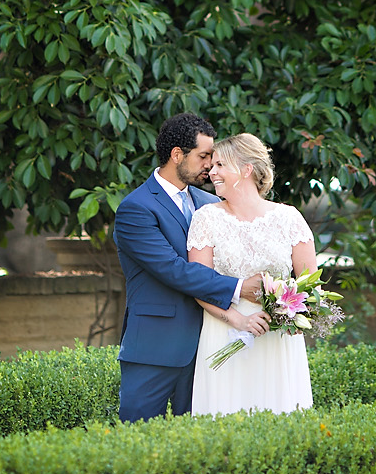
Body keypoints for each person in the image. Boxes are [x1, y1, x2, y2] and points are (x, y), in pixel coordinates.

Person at [112, 112, 269, 423]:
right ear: (176, 155)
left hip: (210, 341)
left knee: (200, 441)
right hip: (155, 346)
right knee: (138, 436)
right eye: (203, 156)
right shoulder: (136, 208)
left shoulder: (209, 203)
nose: (210, 164)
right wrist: (238, 287)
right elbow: (171, 269)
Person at [187, 132, 316, 416]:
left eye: (221, 165)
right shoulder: (206, 218)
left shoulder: (289, 218)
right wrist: (239, 319)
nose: (212, 171)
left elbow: (310, 285)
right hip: (224, 330)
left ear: (246, 169)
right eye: (212, 165)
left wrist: (282, 312)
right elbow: (198, 284)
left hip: (275, 338)